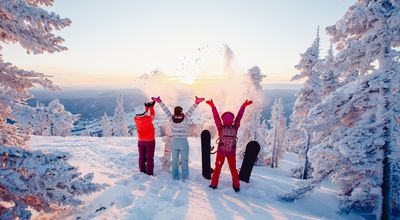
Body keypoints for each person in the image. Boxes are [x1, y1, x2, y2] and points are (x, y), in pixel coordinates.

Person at [152, 96, 205, 181]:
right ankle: (184, 176)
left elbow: (165, 110)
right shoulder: (185, 119)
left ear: (174, 112)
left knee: (175, 160)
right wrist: (196, 102)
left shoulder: (171, 119)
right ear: (181, 112)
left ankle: (175, 176)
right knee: (184, 160)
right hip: (183, 141)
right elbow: (191, 110)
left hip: (175, 141)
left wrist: (159, 101)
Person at [206, 99, 253, 192]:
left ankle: (213, 185)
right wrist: (243, 106)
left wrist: (213, 106)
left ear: (223, 120)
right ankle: (236, 186)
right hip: (231, 152)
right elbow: (239, 117)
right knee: (233, 170)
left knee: (217, 169)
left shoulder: (221, 128)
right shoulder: (235, 127)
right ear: (232, 120)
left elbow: (216, 119)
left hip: (221, 152)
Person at [134, 100, 156, 176]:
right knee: (149, 157)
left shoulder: (136, 119)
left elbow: (141, 114)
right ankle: (149, 173)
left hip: (140, 141)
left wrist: (146, 107)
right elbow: (152, 115)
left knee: (141, 156)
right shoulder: (148, 119)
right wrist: (151, 107)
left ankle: (142, 171)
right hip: (150, 140)